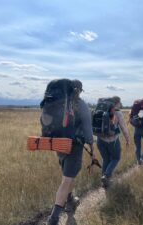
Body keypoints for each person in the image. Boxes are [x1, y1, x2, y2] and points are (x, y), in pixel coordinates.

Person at [47, 80, 94, 225]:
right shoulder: (80, 104)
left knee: (69, 174)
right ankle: (53, 218)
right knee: (66, 180)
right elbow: (88, 129)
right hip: (74, 146)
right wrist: (92, 147)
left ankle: (70, 201)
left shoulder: (57, 102)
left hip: (59, 144)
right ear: (79, 90)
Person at [96, 96, 130, 188]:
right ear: (116, 103)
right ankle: (106, 176)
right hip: (112, 141)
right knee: (115, 158)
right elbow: (123, 127)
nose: (120, 104)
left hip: (100, 139)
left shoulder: (100, 110)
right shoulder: (118, 113)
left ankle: (104, 181)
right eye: (120, 102)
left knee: (106, 159)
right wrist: (127, 139)